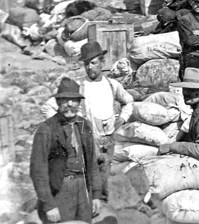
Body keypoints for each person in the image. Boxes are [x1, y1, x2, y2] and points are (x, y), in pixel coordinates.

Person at [40, 42, 133, 199]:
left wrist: (122, 119)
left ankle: (102, 211)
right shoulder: (79, 86)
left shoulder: (112, 85)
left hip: (108, 141)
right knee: (85, 180)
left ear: (103, 62)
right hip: (85, 140)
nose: (89, 67)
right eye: (86, 63)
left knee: (103, 180)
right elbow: (47, 107)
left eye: (93, 63)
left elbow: (128, 101)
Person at [30, 78, 103, 224]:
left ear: (79, 102)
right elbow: (38, 171)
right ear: (58, 102)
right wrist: (49, 205)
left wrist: (96, 194)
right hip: (60, 190)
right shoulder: (46, 129)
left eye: (74, 100)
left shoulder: (84, 125)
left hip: (83, 189)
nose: (70, 104)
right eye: (65, 100)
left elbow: (92, 161)